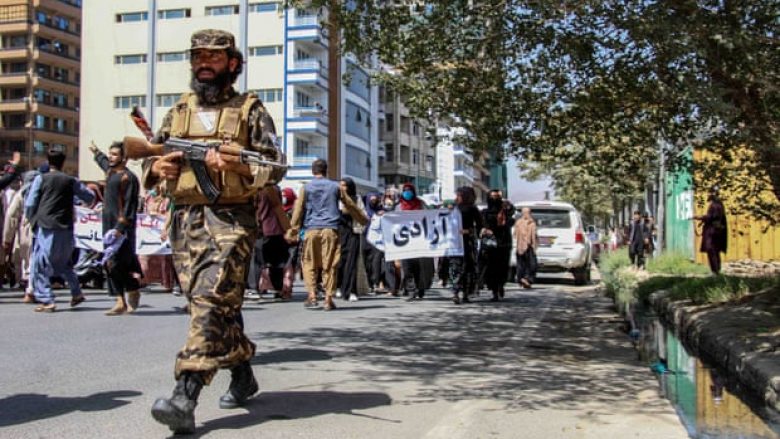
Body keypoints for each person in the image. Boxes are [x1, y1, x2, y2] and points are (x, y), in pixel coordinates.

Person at [144, 29, 287, 434]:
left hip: (230, 220)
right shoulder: (178, 111)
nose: (204, 63)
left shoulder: (251, 110)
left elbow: (277, 166)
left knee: (209, 300)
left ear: (233, 64)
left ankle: (183, 395)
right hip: (185, 221)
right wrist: (157, 169)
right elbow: (153, 159)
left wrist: (237, 167)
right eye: (197, 57)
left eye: (214, 56)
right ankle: (242, 373)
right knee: (214, 305)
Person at [286, 160, 366, 310]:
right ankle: (328, 299)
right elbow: (349, 204)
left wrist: (293, 230)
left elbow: (298, 210)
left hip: (311, 229)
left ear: (312, 171)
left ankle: (312, 295)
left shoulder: (306, 188)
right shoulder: (335, 187)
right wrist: (362, 219)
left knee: (309, 263)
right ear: (326, 171)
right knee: (329, 264)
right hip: (330, 229)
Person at [24, 148, 94, 312]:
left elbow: (30, 204)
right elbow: (89, 196)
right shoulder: (71, 181)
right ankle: (76, 293)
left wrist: (33, 219)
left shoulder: (41, 179)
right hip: (67, 227)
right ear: (63, 163)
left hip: (47, 227)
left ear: (48, 162)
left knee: (40, 264)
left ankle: (46, 299)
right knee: (63, 263)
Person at [89, 141, 143, 315]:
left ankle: (133, 288)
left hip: (122, 229)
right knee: (109, 263)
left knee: (118, 263)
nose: (111, 157)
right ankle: (120, 301)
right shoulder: (111, 172)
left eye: (114, 154)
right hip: (108, 226)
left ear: (124, 158)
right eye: (110, 153)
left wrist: (121, 227)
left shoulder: (129, 178)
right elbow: (104, 162)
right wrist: (97, 152)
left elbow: (130, 205)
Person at [248, 185, 289, 299]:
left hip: (262, 229)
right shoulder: (275, 188)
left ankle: (253, 288)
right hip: (276, 229)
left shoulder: (256, 189)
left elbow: (255, 209)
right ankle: (278, 288)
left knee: (256, 260)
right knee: (276, 261)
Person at [396, 183, 429, 301]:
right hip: (405, 240)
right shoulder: (399, 206)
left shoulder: (420, 204)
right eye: (405, 191)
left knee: (418, 266)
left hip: (418, 239)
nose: (407, 193)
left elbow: (429, 217)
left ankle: (420, 288)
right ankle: (410, 289)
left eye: (409, 190)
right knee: (406, 266)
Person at [449, 186, 482, 304]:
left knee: (466, 268)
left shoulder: (472, 209)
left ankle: (466, 293)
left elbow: (479, 225)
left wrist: (468, 231)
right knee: (455, 267)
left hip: (467, 243)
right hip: (454, 243)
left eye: (459, 195)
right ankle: (455, 292)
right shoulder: (453, 208)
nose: (457, 197)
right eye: (457, 195)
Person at [481, 191, 515, 301]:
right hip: (490, 244)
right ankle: (494, 291)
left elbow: (511, 215)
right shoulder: (485, 212)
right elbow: (480, 226)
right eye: (493, 197)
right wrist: (484, 230)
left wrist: (507, 207)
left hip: (504, 244)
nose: (495, 199)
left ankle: (501, 285)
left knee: (502, 267)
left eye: (497, 197)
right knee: (490, 267)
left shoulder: (505, 211)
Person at [337, 178, 366, 301]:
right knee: (339, 262)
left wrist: (351, 210)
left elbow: (363, 215)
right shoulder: (336, 198)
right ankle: (339, 287)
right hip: (338, 233)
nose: (342, 188)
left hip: (352, 232)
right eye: (341, 185)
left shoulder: (356, 199)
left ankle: (351, 290)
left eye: (345, 185)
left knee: (351, 262)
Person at [696, 192, 728, 274]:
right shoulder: (718, 204)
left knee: (712, 250)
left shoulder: (715, 205)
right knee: (715, 251)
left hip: (713, 232)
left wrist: (699, 217)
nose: (708, 195)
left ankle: (715, 270)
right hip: (715, 231)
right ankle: (717, 270)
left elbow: (711, 217)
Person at [362, 191, 385, 294]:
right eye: (371, 200)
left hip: (377, 241)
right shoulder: (363, 210)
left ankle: (375, 283)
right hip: (364, 238)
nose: (373, 202)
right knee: (366, 262)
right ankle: (367, 284)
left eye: (375, 200)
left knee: (376, 263)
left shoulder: (381, 211)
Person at [514, 207, 538, 289]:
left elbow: (534, 236)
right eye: (525, 212)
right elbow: (516, 234)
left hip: (529, 246)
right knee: (523, 265)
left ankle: (526, 280)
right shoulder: (519, 222)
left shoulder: (532, 222)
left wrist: (535, 245)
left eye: (528, 212)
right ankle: (524, 279)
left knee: (531, 264)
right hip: (522, 246)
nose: (526, 214)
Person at [436, 199, 455, 288]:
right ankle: (443, 278)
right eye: (449, 205)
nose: (450, 207)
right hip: (443, 242)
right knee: (443, 261)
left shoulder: (457, 214)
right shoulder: (440, 215)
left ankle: (451, 278)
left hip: (454, 242)